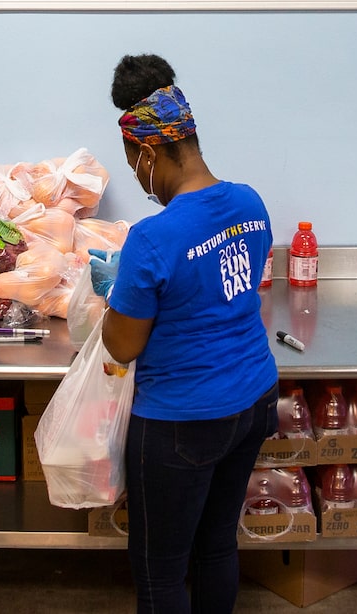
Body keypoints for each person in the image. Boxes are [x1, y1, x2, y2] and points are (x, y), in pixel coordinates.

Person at [88, 53, 278, 614]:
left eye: (131, 164)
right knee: (217, 544)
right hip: (252, 399)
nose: (135, 178)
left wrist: (112, 296)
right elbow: (231, 286)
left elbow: (122, 346)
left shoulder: (153, 237)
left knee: (160, 572)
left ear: (147, 152)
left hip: (181, 423)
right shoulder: (250, 201)